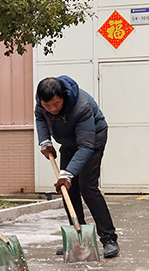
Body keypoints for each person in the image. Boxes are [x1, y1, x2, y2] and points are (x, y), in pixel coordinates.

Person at [35, 76, 120, 258]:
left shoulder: (81, 107)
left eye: (56, 104)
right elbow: (40, 117)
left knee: (87, 187)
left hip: (92, 139)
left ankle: (109, 239)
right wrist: (44, 141)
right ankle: (79, 237)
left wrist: (68, 173)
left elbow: (86, 146)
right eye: (47, 105)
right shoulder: (42, 105)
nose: (52, 109)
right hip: (69, 142)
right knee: (68, 189)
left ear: (64, 97)